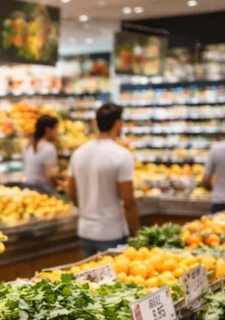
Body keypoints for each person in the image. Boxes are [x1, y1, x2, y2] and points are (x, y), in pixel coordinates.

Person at [66, 103, 139, 257]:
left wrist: (87, 209)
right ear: (118, 124)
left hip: (85, 229)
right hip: (111, 231)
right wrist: (136, 233)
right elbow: (128, 200)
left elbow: (71, 191)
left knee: (88, 278)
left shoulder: (79, 153)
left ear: (95, 123)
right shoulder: (122, 155)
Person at [22, 114, 61, 194]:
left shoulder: (28, 144)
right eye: (56, 128)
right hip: (43, 190)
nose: (58, 132)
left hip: (27, 187)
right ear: (48, 130)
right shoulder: (48, 148)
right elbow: (50, 175)